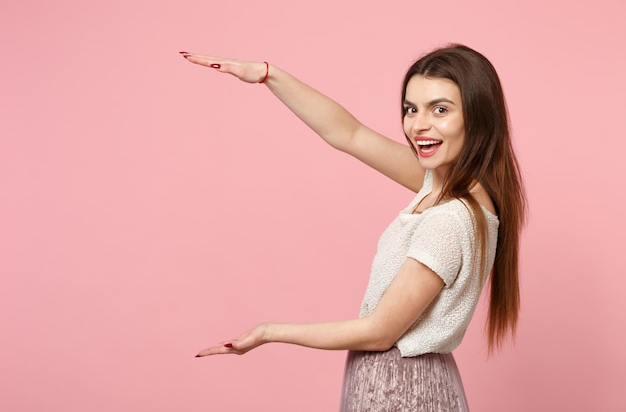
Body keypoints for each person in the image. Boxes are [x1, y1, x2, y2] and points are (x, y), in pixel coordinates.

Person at [180, 44, 526, 411]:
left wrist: (270, 332)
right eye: (411, 109)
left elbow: (380, 332)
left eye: (440, 110)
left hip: (401, 393)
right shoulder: (446, 187)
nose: (419, 125)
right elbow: (349, 134)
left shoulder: (449, 218)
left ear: (478, 117)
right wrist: (269, 74)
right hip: (403, 385)